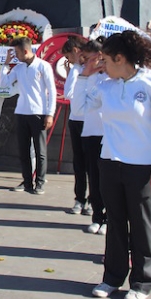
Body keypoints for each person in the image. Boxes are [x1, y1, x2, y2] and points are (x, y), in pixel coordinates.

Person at [71, 31, 151, 299]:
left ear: (121, 58)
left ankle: (142, 282)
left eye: (105, 59)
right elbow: (80, 108)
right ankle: (113, 276)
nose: (102, 64)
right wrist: (86, 74)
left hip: (142, 167)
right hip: (110, 163)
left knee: (141, 226)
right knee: (116, 223)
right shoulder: (106, 86)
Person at [0, 37, 56, 194]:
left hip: (38, 113)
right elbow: (4, 83)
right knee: (23, 150)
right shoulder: (18, 68)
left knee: (40, 150)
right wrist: (6, 64)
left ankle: (40, 182)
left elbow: (52, 91)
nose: (16, 55)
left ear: (25, 50)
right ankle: (27, 182)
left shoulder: (43, 66)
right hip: (22, 112)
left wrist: (49, 114)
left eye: (17, 52)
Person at [77, 38, 108, 235]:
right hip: (90, 132)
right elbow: (79, 108)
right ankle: (97, 216)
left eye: (88, 58)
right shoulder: (86, 76)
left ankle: (108, 218)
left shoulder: (111, 77)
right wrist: (85, 76)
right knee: (94, 180)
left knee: (107, 181)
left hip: (107, 135)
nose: (85, 62)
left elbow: (100, 100)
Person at [62, 36, 92, 215]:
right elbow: (68, 93)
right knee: (79, 162)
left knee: (91, 164)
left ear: (76, 51)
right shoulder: (75, 69)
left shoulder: (90, 69)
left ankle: (89, 199)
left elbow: (70, 93)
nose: (68, 61)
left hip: (90, 121)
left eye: (68, 56)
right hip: (77, 120)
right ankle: (80, 198)